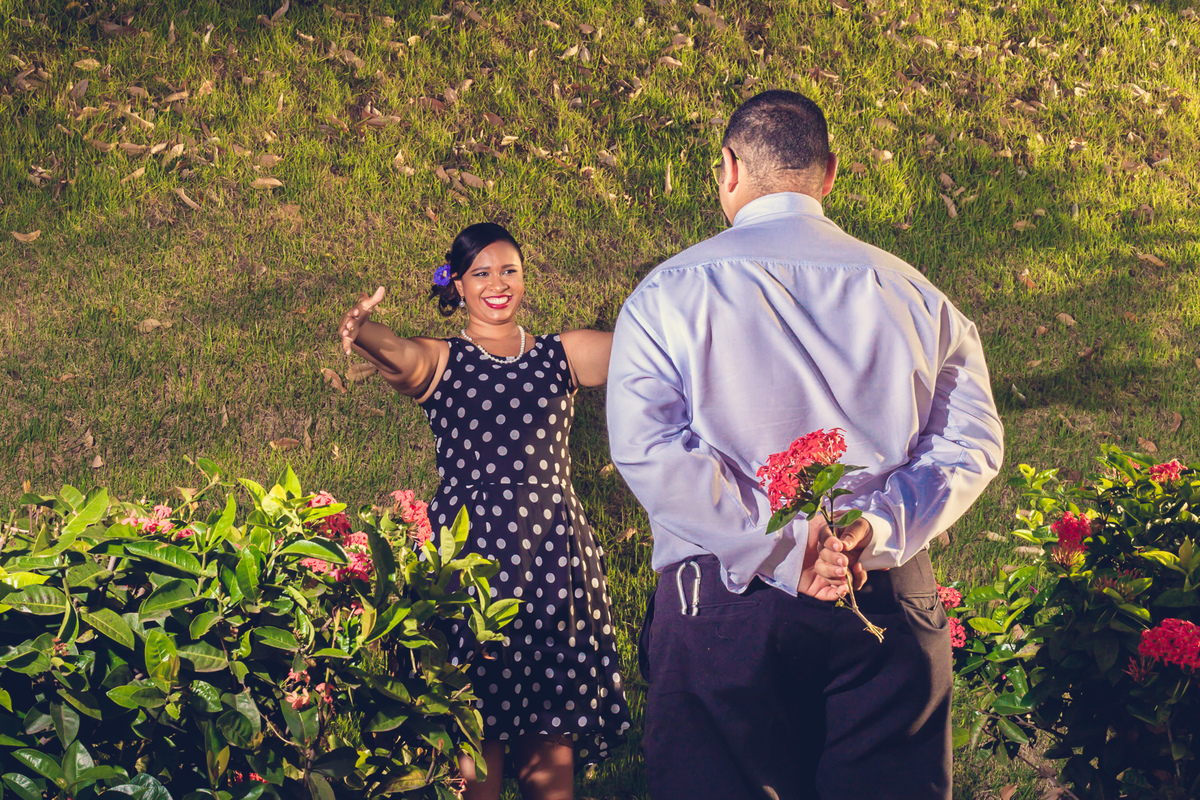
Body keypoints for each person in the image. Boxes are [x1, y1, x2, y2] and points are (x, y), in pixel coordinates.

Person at [606, 90, 1004, 799]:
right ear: (830, 173)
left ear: (729, 169)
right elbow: (970, 442)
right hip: (881, 592)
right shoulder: (918, 295)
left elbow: (649, 448)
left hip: (724, 600)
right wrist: (874, 528)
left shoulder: (667, 295)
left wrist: (787, 547)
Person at [338, 222, 630, 800]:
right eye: (482, 274)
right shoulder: (444, 360)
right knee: (475, 740)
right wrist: (363, 329)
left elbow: (641, 349)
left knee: (552, 734)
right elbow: (399, 355)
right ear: (458, 286)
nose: (498, 284)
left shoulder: (560, 354)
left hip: (553, 561)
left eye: (509, 271)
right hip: (471, 568)